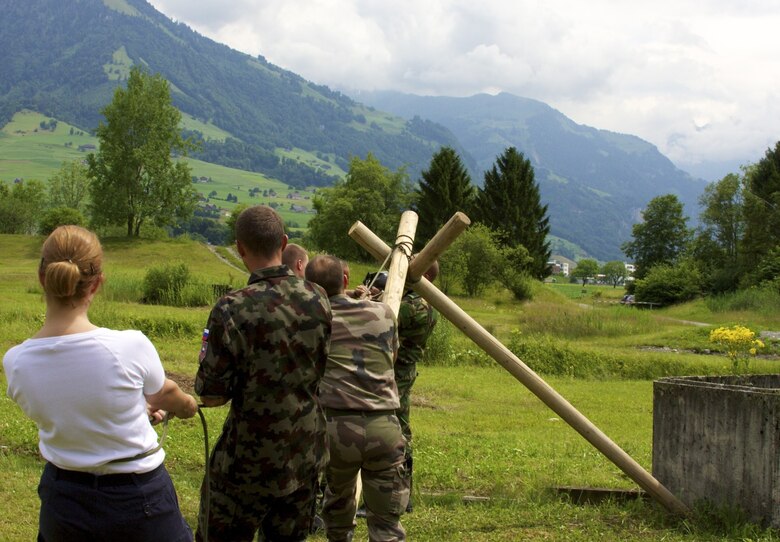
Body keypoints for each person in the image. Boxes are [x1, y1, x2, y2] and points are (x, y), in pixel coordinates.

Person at [3, 225, 198, 542]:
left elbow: (73, 410)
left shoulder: (16, 362)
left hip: (63, 498)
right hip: (139, 496)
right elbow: (167, 394)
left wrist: (131, 411)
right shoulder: (130, 346)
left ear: (42, 278)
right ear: (96, 285)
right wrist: (187, 406)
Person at [195, 205, 332, 542]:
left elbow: (211, 394)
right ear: (283, 244)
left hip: (246, 461)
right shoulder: (319, 298)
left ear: (240, 248)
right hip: (304, 453)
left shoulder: (231, 307)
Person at [305, 255, 409, 542]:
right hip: (384, 426)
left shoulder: (313, 322)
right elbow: (392, 357)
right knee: (386, 525)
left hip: (336, 429)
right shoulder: (384, 314)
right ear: (346, 280)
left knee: (338, 514)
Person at [395, 259, 439, 513]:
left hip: (397, 374)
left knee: (399, 432)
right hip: (400, 371)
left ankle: (402, 496)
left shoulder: (415, 306)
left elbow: (382, 315)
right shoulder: (417, 302)